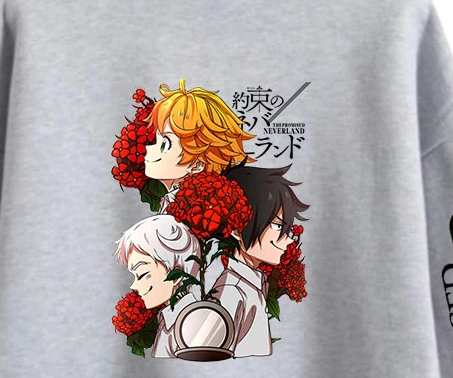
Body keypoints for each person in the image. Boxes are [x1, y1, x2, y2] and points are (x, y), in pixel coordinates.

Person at [211, 163, 310, 357]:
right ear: (237, 229)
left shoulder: (251, 285)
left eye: (286, 228)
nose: (289, 240)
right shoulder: (231, 292)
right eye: (277, 226)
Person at [142, 79, 255, 212]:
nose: (148, 148)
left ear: (196, 165)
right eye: (156, 140)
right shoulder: (171, 202)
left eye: (164, 144)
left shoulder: (193, 212)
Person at [114, 214, 201, 357]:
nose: (134, 286)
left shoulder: (192, 325)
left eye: (142, 274)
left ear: (176, 276)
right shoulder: (168, 321)